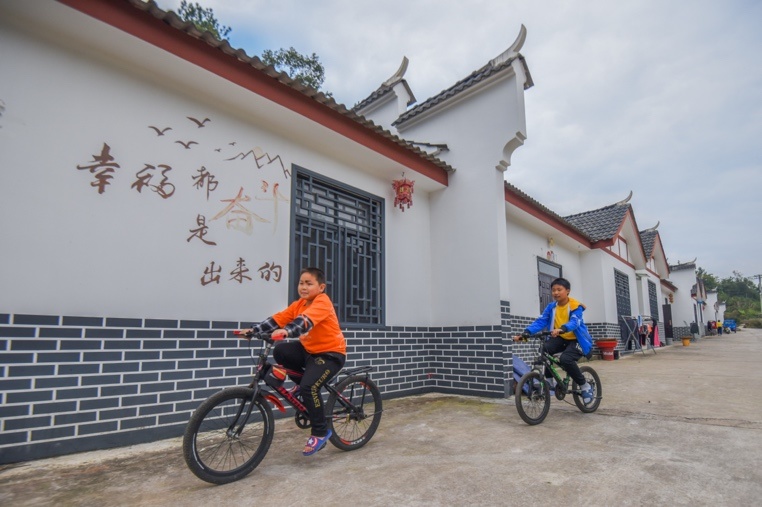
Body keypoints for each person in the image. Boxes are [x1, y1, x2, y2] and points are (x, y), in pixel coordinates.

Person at [237, 267, 346, 456]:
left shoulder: (323, 302)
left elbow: (305, 322)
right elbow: (279, 318)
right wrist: (254, 330)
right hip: (309, 352)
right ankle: (303, 386)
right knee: (281, 351)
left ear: (321, 287)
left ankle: (320, 431)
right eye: (301, 283)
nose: (303, 287)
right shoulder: (299, 304)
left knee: (309, 387)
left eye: (308, 283)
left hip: (330, 354)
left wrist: (287, 331)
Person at [514, 277, 595, 404]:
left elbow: (575, 321)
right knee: (544, 350)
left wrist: (563, 328)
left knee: (566, 359)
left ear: (567, 291)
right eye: (553, 290)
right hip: (561, 338)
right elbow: (541, 322)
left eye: (559, 289)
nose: (556, 293)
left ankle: (585, 386)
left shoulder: (575, 306)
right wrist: (525, 334)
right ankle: (549, 381)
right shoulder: (551, 307)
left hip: (577, 340)